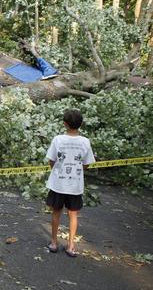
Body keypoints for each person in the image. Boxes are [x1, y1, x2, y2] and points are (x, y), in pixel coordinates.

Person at [45, 109, 95, 257]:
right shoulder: (85, 141)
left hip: (58, 184)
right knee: (73, 215)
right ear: (80, 124)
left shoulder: (58, 139)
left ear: (64, 123)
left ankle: (54, 242)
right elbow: (87, 164)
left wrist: (57, 170)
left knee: (56, 212)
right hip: (75, 185)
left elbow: (51, 160)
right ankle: (71, 245)